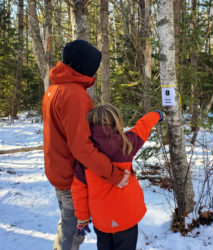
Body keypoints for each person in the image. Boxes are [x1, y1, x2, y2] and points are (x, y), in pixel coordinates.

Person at [42, 40, 129, 250]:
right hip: (71, 177)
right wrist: (114, 175)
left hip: (58, 171)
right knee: (71, 235)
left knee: (66, 226)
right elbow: (82, 147)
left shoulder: (54, 88)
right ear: (85, 66)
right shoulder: (74, 95)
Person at [71, 104, 164, 250]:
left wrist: (82, 218)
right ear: (116, 122)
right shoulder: (126, 143)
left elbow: (79, 190)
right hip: (127, 215)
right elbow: (143, 126)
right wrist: (157, 114)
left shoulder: (84, 155)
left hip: (101, 218)